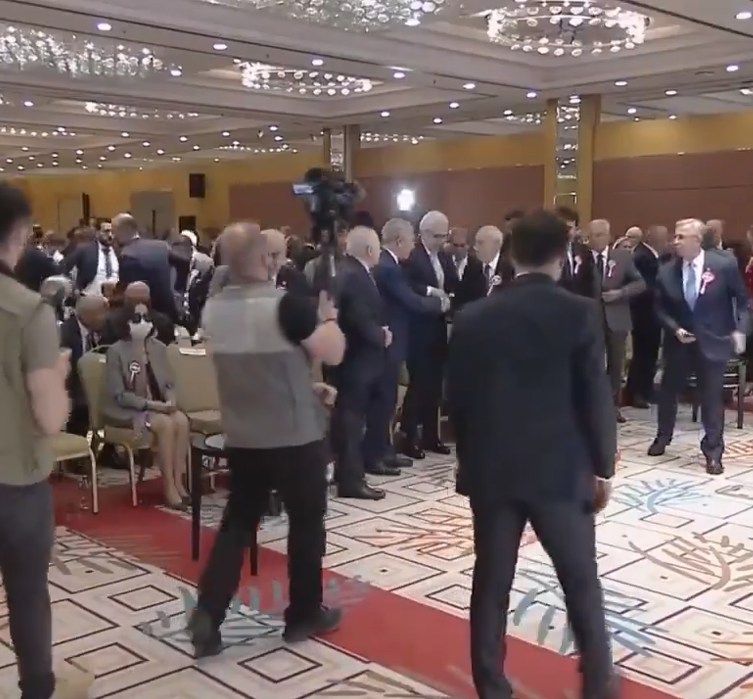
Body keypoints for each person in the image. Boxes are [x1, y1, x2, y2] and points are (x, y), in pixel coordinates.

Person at [447, 208, 617, 699]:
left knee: (491, 582)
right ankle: (598, 685)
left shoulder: (473, 316)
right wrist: (603, 466)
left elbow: (457, 400)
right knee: (580, 581)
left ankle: (490, 684)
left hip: (493, 469)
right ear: (561, 257)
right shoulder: (579, 312)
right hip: (560, 469)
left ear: (512, 255)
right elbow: (595, 395)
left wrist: (468, 460)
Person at [189, 222, 346, 655]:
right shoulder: (286, 306)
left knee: (237, 526)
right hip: (294, 436)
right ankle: (303, 613)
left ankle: (207, 615)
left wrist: (305, 386)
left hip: (244, 434)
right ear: (263, 259)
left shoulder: (214, 308)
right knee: (307, 524)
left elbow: (258, 366)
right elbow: (333, 351)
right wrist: (329, 317)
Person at [0, 182, 93, 699]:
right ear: (18, 234)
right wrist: (57, 374)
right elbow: (51, 418)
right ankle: (38, 688)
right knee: (27, 594)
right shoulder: (26, 310)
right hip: (13, 481)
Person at [649, 218, 750, 475]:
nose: (675, 241)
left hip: (713, 341)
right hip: (679, 343)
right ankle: (663, 436)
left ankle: (713, 452)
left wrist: (740, 330)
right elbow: (659, 308)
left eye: (681, 237)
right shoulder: (666, 271)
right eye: (675, 236)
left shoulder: (723, 265)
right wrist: (675, 329)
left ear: (697, 240)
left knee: (712, 398)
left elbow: (742, 300)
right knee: (668, 392)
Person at [366, 218, 446, 476]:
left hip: (394, 339)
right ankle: (377, 454)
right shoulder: (389, 268)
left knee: (389, 399)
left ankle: (385, 451)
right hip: (390, 341)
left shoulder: (390, 264)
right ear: (399, 240)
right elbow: (410, 300)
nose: (413, 246)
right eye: (411, 240)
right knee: (384, 400)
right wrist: (440, 304)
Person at [101, 305, 190, 508]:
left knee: (182, 420)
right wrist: (153, 405)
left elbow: (168, 382)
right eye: (137, 318)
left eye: (147, 317)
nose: (143, 322)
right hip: (129, 409)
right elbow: (120, 395)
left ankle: (178, 482)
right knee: (165, 424)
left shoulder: (158, 348)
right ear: (126, 322)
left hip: (158, 406)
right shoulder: (115, 351)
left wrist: (170, 398)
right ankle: (168, 487)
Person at [330, 227, 393, 500]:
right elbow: (358, 316)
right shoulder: (355, 276)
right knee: (351, 422)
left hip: (354, 360)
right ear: (369, 250)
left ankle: (350, 474)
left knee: (350, 421)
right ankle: (351, 480)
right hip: (356, 361)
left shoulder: (348, 270)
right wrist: (381, 335)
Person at [399, 210, 457, 458]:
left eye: (445, 236)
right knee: (419, 385)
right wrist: (432, 292)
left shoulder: (443, 256)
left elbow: (452, 281)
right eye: (437, 236)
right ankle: (409, 436)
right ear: (423, 233)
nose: (442, 241)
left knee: (435, 387)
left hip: (439, 328)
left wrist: (450, 295)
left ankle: (431, 437)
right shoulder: (412, 256)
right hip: (418, 330)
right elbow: (409, 286)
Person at [587, 219, 646, 423]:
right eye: (590, 236)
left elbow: (640, 283)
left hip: (616, 318)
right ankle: (591, 405)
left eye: (598, 235)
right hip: (590, 319)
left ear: (607, 236)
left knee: (616, 364)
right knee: (592, 363)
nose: (593, 240)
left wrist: (620, 293)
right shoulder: (582, 258)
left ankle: (612, 406)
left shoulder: (621, 257)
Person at [624, 224, 668, 408]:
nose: (665, 241)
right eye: (662, 237)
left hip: (653, 313)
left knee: (650, 353)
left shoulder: (655, 256)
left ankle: (646, 389)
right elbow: (644, 285)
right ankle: (636, 392)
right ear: (650, 237)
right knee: (642, 354)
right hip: (643, 312)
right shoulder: (642, 256)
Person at [113, 213, 180, 322]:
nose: (113, 236)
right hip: (170, 310)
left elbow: (129, 292)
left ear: (125, 229)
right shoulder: (162, 246)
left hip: (146, 317)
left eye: (114, 231)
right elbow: (183, 264)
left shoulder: (127, 255)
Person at [60, 295, 109, 437]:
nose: (105, 318)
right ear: (88, 315)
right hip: (72, 388)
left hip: (96, 383)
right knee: (84, 404)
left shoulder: (104, 329)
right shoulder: (65, 334)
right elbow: (67, 374)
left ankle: (109, 446)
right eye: (102, 313)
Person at [455, 225, 514, 307]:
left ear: (497, 244)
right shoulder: (471, 268)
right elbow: (462, 298)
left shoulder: (509, 268)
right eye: (476, 242)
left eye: (480, 243)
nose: (475, 247)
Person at [61, 221, 119, 295]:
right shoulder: (85, 250)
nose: (110, 235)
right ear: (97, 233)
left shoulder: (119, 251)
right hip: (90, 295)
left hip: (115, 296)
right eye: (106, 231)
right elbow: (65, 268)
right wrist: (74, 289)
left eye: (112, 232)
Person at [555, 205, 599, 300]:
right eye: (563, 228)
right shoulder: (546, 251)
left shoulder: (584, 252)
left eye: (570, 228)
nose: (566, 232)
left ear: (576, 229)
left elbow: (590, 284)